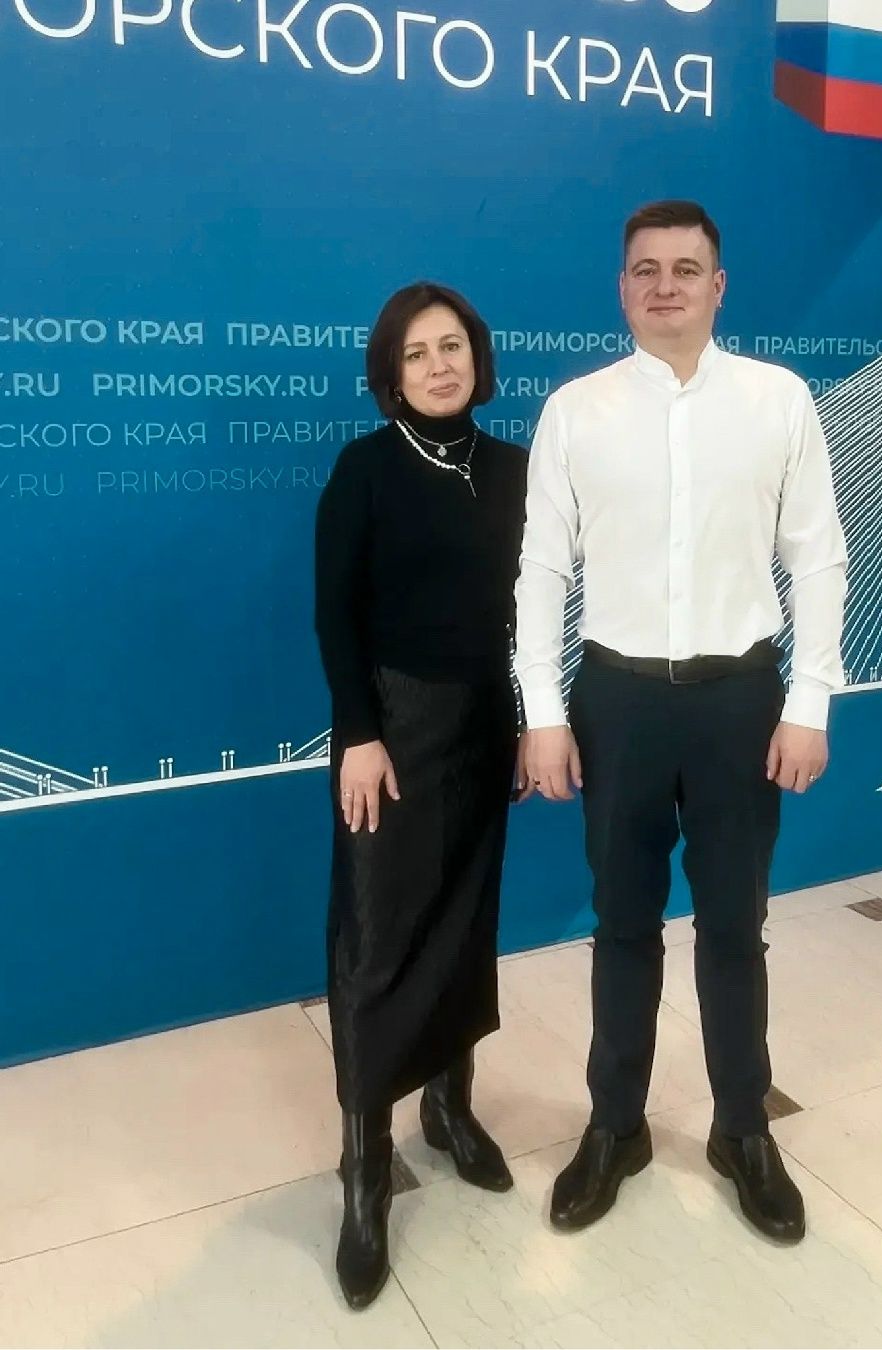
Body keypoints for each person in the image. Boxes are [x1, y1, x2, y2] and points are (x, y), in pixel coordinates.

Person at [514, 201, 847, 1241]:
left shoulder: (779, 400)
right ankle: (615, 1125)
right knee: (621, 923)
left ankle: (743, 1128)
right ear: (622, 287)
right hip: (615, 700)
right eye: (646, 269)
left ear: (719, 286)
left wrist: (809, 701)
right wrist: (542, 711)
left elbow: (818, 558)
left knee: (735, 927)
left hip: (741, 701)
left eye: (687, 268)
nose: (666, 286)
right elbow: (541, 569)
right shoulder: (575, 410)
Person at [314, 282, 530, 1309]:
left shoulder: (516, 467)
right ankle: (365, 1171)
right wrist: (358, 735)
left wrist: (531, 721)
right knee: (376, 939)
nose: (439, 365)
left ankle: (449, 1108)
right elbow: (334, 614)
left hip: (488, 720)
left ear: (477, 358)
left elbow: (533, 612)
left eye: (452, 347)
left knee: (464, 919)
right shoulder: (365, 468)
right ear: (391, 376)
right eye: (416, 353)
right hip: (393, 729)